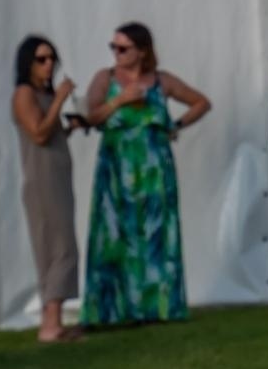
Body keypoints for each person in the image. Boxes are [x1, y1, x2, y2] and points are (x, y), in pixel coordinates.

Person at [81, 21, 209, 326]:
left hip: (154, 169)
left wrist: (175, 126)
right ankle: (113, 311)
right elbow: (91, 116)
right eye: (113, 47)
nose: (116, 53)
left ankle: (159, 307)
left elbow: (201, 102)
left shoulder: (161, 81)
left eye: (123, 48)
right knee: (115, 234)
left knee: (156, 232)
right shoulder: (106, 78)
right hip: (116, 168)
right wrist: (119, 100)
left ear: (141, 51)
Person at [10, 35, 85, 343]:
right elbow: (38, 134)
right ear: (28, 63)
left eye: (52, 58)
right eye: (41, 59)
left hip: (57, 178)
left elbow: (51, 136)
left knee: (58, 246)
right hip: (42, 183)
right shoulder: (24, 94)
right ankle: (50, 325)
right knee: (60, 248)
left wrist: (69, 127)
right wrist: (60, 100)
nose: (49, 64)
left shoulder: (44, 94)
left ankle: (51, 321)